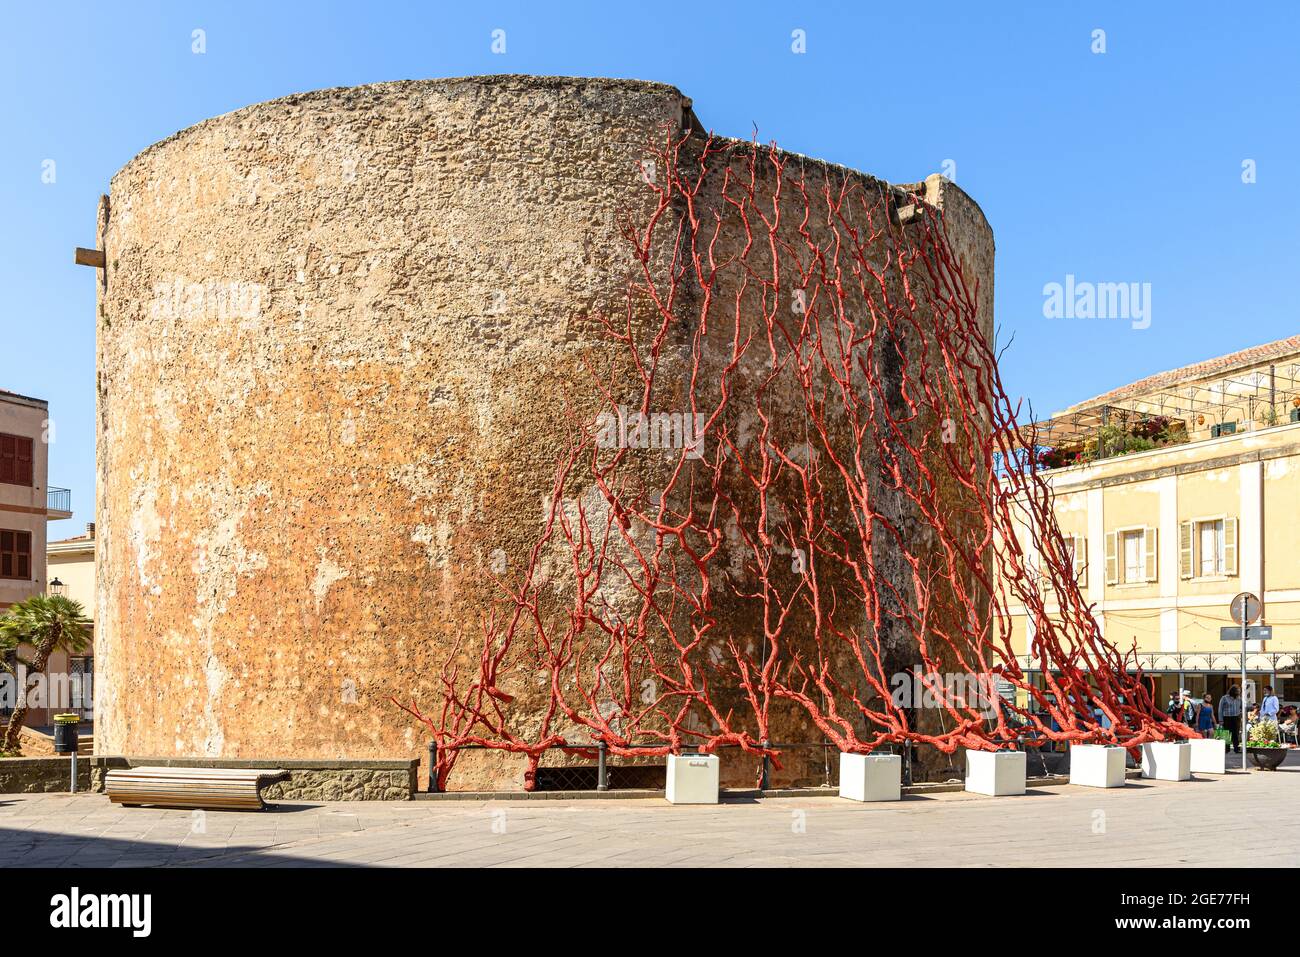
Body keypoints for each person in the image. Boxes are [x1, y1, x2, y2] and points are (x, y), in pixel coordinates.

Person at [1218, 685, 1243, 753]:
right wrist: (1220, 720)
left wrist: (1252, 707)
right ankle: (1226, 749)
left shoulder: (1239, 698)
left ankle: (1236, 748)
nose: (1239, 692)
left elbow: (1243, 707)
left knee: (1236, 734)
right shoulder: (1224, 698)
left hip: (1236, 718)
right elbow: (1220, 709)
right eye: (1238, 691)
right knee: (1226, 733)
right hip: (1227, 718)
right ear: (1233, 691)